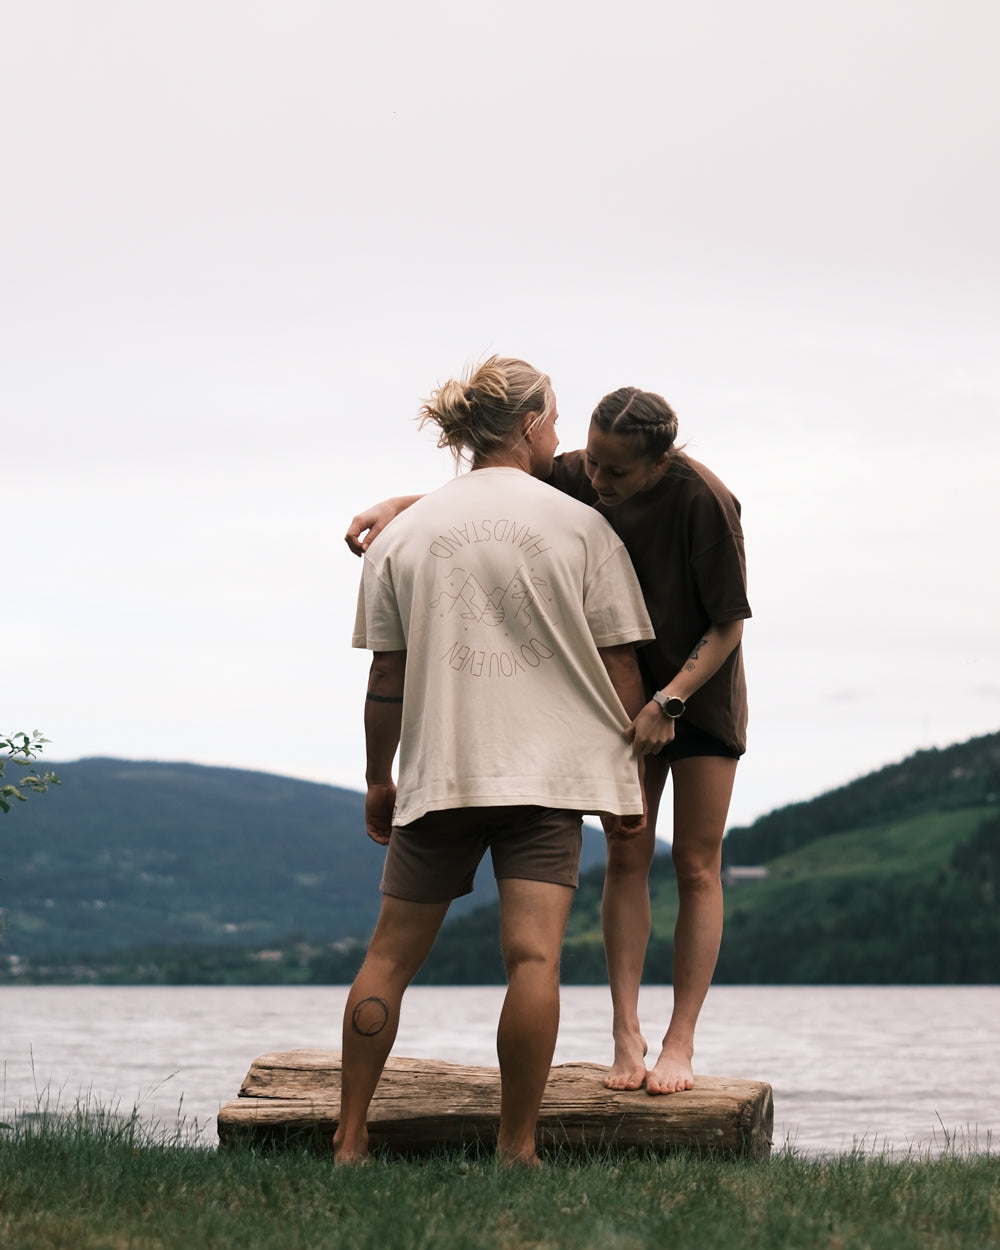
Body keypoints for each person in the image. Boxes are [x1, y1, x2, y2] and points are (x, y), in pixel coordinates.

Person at [345, 386, 751, 1098]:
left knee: (695, 863)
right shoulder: (583, 469)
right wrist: (399, 505)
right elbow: (494, 495)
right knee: (626, 852)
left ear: (659, 463)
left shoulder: (706, 501)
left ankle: (681, 1041)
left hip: (696, 689)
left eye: (615, 472)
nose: (597, 479)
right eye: (591, 463)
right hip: (613, 688)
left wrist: (669, 701)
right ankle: (626, 1035)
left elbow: (728, 624)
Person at [334, 357, 655, 1167]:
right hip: (547, 782)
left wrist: (378, 778)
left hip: (441, 774)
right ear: (529, 423)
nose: (559, 436)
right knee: (534, 959)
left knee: (388, 958)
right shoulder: (585, 530)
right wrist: (623, 782)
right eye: (555, 420)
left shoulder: (403, 536)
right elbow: (621, 669)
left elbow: (385, 678)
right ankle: (517, 1147)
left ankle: (350, 1137)